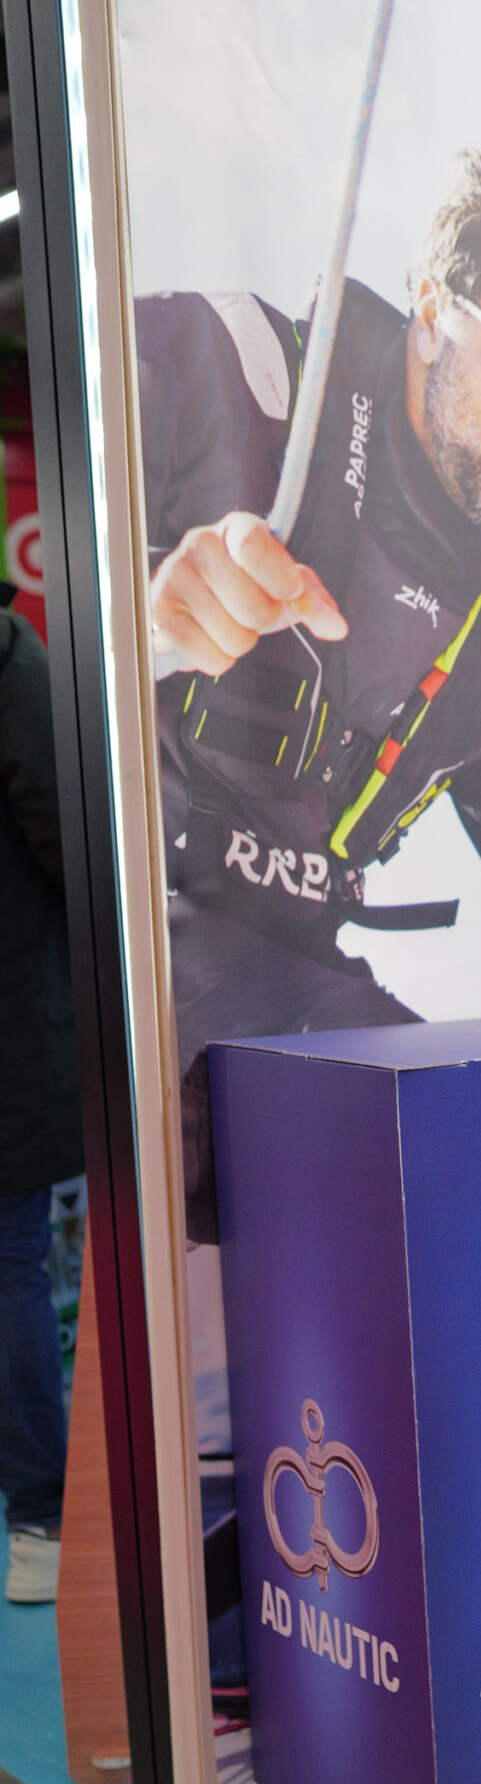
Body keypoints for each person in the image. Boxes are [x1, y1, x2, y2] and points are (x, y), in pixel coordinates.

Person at [138, 150, 481, 1233]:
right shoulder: (225, 368)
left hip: (288, 995)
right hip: (123, 955)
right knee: (455, 1167)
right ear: (430, 307)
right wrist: (138, 620)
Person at [0, 604, 81, 1603]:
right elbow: (73, 839)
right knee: (11, 1260)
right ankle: (40, 1521)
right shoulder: (10, 661)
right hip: (16, 1008)